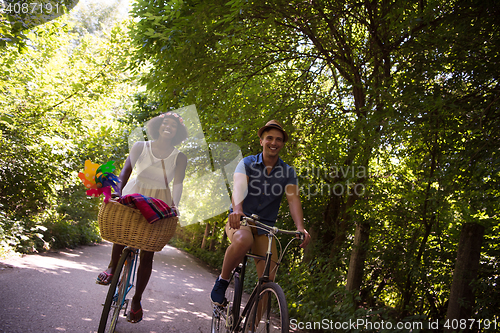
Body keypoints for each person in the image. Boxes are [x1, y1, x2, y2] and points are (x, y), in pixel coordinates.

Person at [96, 111, 188, 323]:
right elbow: (125, 172)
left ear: (177, 132)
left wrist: (174, 205)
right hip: (134, 192)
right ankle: (112, 266)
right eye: (165, 123)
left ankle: (137, 299)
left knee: (148, 253)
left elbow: (178, 183)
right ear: (158, 126)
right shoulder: (140, 146)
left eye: (173, 126)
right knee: (121, 232)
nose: (168, 127)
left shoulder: (179, 157)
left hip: (160, 198)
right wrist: (117, 192)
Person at [210, 119, 311, 307]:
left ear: (282, 144)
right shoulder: (246, 163)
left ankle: (251, 326)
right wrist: (237, 210)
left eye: (278, 139)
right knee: (243, 240)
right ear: (261, 141)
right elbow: (239, 187)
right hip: (242, 221)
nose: (274, 142)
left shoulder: (288, 172)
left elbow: (293, 199)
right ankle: (222, 281)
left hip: (266, 228)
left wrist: (300, 228)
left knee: (268, 282)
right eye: (269, 138)